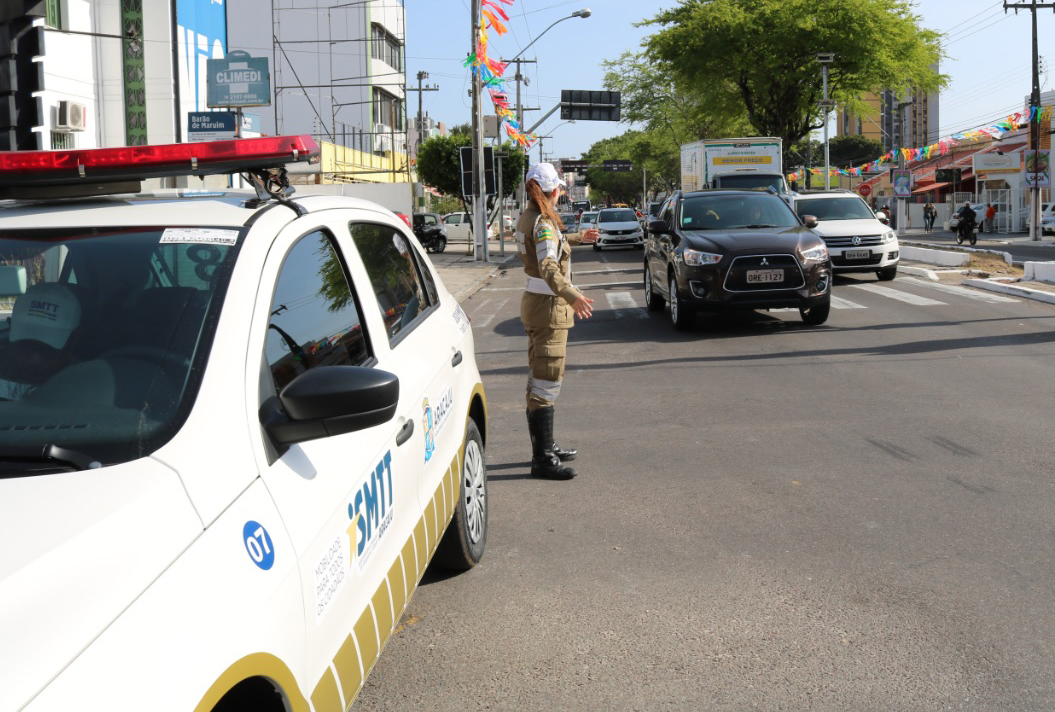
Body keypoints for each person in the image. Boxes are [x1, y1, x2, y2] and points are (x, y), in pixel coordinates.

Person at [516, 163, 595, 480]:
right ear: (552, 191)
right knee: (547, 380)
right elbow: (548, 265)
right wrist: (571, 295)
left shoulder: (530, 217)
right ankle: (543, 458)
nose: (562, 192)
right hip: (549, 307)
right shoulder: (544, 223)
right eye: (559, 188)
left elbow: (547, 248)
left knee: (539, 376)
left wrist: (576, 237)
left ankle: (544, 445)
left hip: (536, 304)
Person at [0, 283, 81, 400]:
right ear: (11, 327)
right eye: (26, 345)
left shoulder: (85, 385)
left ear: (74, 340)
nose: (35, 360)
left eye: (49, 349)